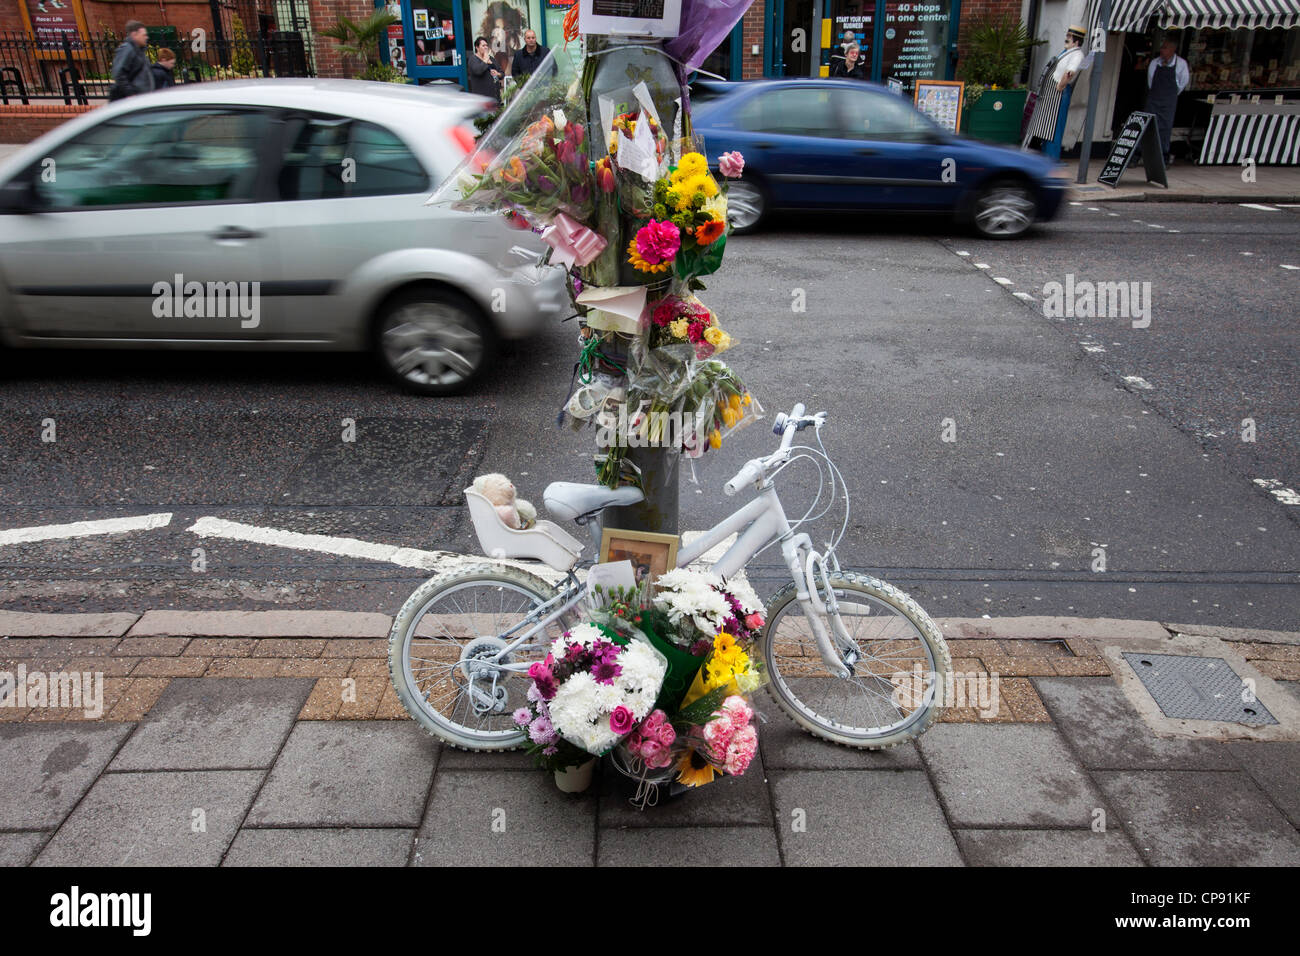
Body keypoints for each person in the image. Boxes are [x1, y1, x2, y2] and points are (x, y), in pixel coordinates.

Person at [1021, 25, 1089, 160]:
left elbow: (1070, 72)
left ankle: (1051, 157)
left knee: (1053, 129)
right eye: (1067, 36)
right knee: (1045, 128)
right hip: (1049, 95)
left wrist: (1060, 86)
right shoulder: (1067, 52)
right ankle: (1042, 154)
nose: (1066, 39)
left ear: (1077, 41)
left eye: (1069, 37)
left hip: (1058, 95)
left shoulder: (1077, 55)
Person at [1147, 37, 1190, 165]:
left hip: (1168, 100)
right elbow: (1150, 81)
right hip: (1154, 98)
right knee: (1148, 125)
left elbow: (1183, 82)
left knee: (1165, 129)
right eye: (1162, 47)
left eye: (1164, 48)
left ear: (1172, 50)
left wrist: (1170, 95)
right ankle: (1141, 153)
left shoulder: (1181, 64)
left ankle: (1163, 157)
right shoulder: (1155, 63)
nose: (1161, 50)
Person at [109, 20, 153, 101]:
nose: (147, 37)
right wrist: (130, 94)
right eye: (144, 35)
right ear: (134, 34)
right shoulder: (127, 49)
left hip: (142, 98)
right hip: (133, 100)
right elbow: (119, 73)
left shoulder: (139, 51)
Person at [467, 35, 501, 104]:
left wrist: (498, 74)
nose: (486, 47)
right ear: (477, 47)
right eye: (483, 46)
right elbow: (478, 71)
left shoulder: (491, 58)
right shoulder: (473, 59)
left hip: (495, 97)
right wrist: (485, 60)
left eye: (486, 45)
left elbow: (502, 72)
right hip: (482, 98)